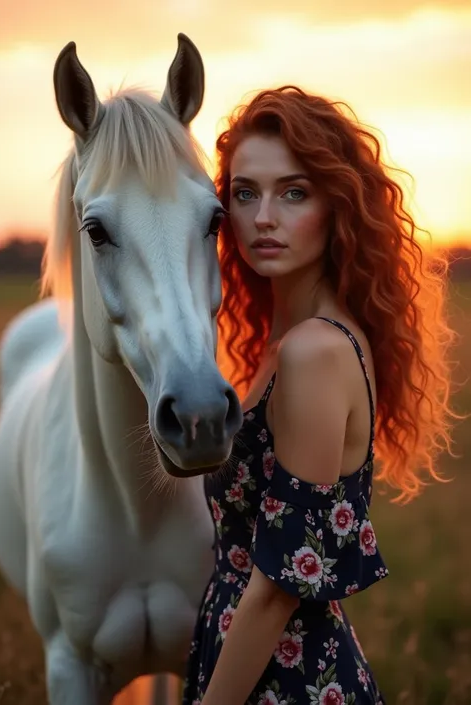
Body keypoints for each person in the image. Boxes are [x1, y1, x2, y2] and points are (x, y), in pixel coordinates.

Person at [182, 86, 455, 705]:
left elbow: (280, 584)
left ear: (339, 208)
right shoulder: (282, 345)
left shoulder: (316, 351)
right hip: (247, 664)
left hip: (289, 682)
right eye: (244, 193)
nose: (263, 217)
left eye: (293, 192)